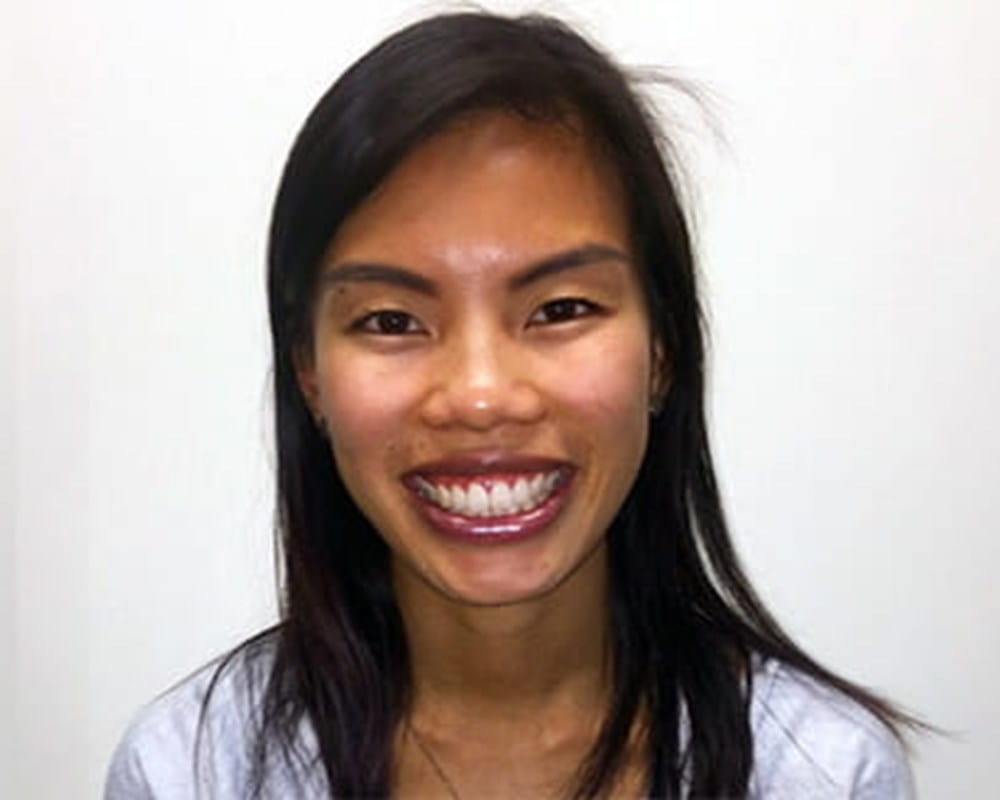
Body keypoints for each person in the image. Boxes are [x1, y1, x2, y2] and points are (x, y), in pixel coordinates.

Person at [105, 11, 918, 799]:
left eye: (561, 308)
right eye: (392, 321)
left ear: (663, 348)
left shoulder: (820, 772)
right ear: (309, 373)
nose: (481, 396)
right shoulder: (190, 771)